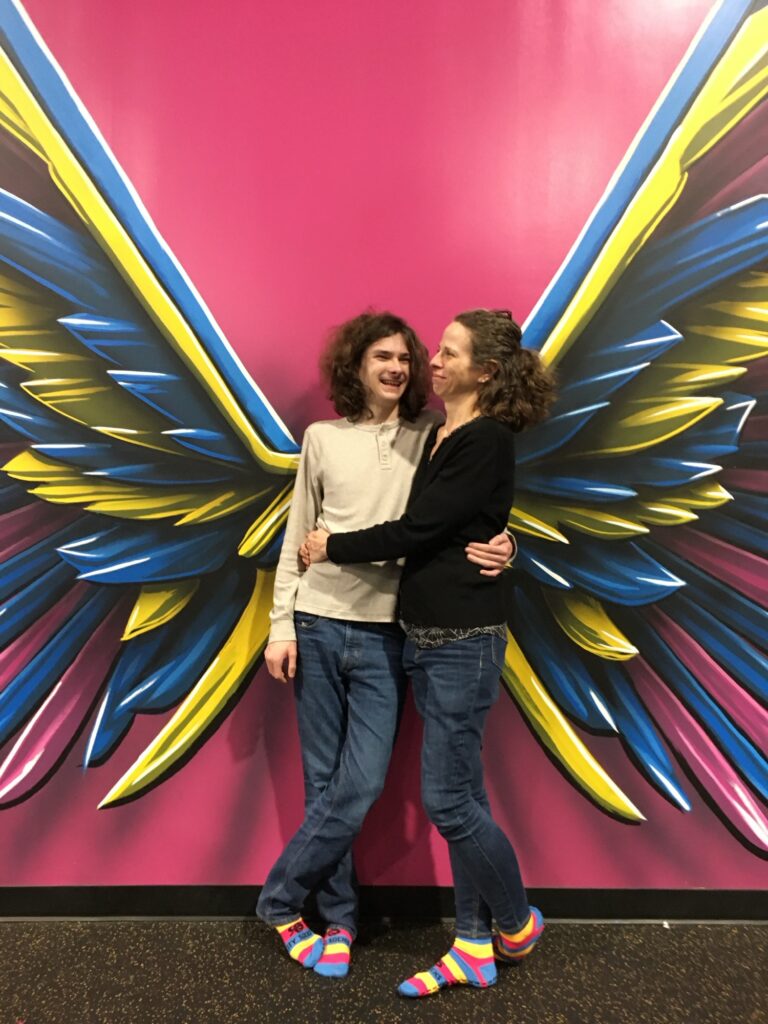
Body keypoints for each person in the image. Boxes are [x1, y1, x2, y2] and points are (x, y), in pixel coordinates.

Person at [304, 308, 555, 997]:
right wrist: (503, 538)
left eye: (448, 353)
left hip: (461, 643)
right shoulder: (443, 433)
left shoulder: (485, 439)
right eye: (434, 352)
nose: (431, 362)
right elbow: (463, 524)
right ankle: (472, 945)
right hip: (427, 640)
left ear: (486, 371)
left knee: (448, 803)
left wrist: (332, 545)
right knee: (466, 795)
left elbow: (419, 528)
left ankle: (515, 921)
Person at [256, 311, 513, 978]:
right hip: (317, 622)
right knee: (323, 784)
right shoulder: (321, 437)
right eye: (382, 357)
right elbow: (298, 536)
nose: (398, 367)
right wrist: (281, 625)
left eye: (407, 357)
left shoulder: (436, 433)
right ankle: (338, 923)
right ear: (357, 365)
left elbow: (461, 513)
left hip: (387, 632)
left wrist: (508, 542)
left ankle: (279, 901)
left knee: (361, 783)